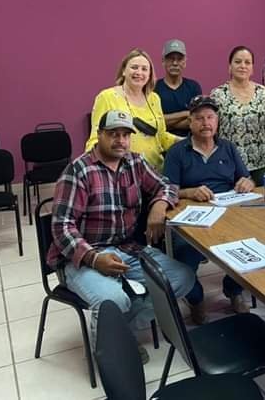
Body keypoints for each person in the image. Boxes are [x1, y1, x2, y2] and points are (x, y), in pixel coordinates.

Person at [48, 110, 194, 362]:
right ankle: (110, 356)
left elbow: (166, 185)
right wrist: (94, 259)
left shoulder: (135, 163)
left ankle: (121, 330)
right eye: (113, 134)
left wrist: (159, 205)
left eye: (126, 135)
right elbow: (61, 226)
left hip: (127, 249)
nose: (120, 141)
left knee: (182, 278)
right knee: (113, 298)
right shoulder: (79, 171)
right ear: (99, 135)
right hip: (81, 257)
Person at [163, 95, 254, 323]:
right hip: (191, 217)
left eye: (210, 117)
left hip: (228, 211)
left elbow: (246, 178)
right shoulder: (177, 151)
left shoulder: (228, 147)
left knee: (250, 245)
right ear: (190, 122)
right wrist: (189, 192)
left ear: (217, 120)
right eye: (200, 118)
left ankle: (233, 290)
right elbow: (167, 189)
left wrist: (246, 182)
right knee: (184, 255)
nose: (206, 123)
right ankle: (196, 299)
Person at [86, 49, 178, 172]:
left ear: (150, 74)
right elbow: (95, 140)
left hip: (155, 171)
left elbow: (161, 137)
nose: (139, 72)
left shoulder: (154, 98)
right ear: (124, 71)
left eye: (144, 69)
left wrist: (187, 141)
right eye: (134, 67)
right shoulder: (107, 97)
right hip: (123, 173)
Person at [211, 46, 265, 185]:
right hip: (228, 163)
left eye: (247, 62)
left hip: (260, 163)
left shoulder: (262, 92)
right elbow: (213, 130)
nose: (243, 66)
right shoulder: (217, 94)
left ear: (252, 68)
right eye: (238, 62)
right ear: (230, 67)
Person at [154, 39, 202, 137]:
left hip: (188, 143)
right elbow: (153, 122)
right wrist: (185, 113)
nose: (175, 63)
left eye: (179, 59)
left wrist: (165, 123)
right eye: (170, 59)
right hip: (161, 143)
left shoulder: (193, 87)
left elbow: (197, 120)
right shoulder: (153, 88)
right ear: (163, 61)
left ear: (185, 62)